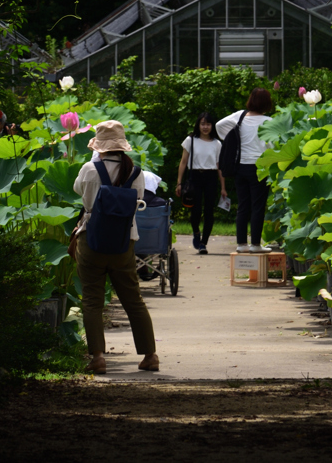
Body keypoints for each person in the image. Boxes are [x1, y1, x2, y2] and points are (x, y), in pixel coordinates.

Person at [72, 120, 160, 375]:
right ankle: (149, 355)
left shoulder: (90, 169)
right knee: (134, 301)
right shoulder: (135, 172)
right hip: (123, 243)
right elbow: (139, 200)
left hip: (92, 240)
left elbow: (79, 191)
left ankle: (98, 357)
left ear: (99, 146)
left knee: (92, 301)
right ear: (122, 146)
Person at [216, 88, 273, 254]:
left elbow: (219, 125)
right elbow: (273, 145)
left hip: (240, 166)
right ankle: (255, 244)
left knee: (243, 206)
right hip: (260, 167)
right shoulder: (268, 121)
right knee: (257, 206)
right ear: (267, 103)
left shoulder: (240, 116)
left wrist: (231, 137)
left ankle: (241, 243)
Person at [174, 112, 227, 255]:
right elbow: (183, 162)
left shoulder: (217, 144)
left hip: (210, 177)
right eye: (202, 124)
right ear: (198, 124)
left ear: (212, 126)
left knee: (209, 211)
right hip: (194, 177)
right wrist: (179, 183)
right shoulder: (190, 140)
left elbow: (219, 167)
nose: (205, 127)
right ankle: (196, 232)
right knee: (195, 210)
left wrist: (223, 187)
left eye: (208, 124)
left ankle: (204, 243)